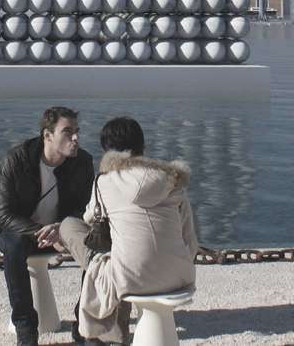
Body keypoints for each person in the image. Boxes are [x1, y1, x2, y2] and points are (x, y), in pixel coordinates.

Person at [60, 117, 198, 346]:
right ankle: (113, 333)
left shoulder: (104, 182)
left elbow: (89, 221)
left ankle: (111, 335)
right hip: (180, 275)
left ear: (107, 152)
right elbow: (189, 239)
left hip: (132, 276)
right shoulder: (172, 180)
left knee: (70, 227)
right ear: (142, 147)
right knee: (121, 251)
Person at [0, 106, 95, 346]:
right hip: (21, 231)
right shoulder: (16, 159)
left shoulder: (83, 162)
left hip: (63, 230)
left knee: (95, 241)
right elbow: (5, 214)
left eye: (77, 131)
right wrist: (41, 231)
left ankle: (84, 321)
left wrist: (61, 228)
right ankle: (26, 328)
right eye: (67, 132)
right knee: (15, 245)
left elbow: (87, 209)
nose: (76, 138)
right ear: (47, 135)